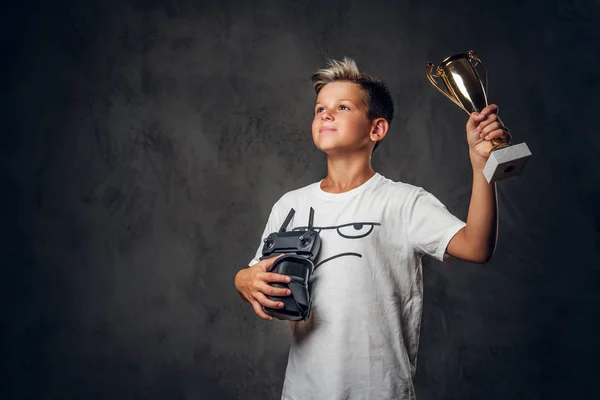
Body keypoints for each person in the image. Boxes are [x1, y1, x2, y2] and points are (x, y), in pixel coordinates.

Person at [234, 57, 510, 400]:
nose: (326, 114)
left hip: (380, 391)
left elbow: (477, 246)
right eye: (320, 109)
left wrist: (482, 165)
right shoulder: (289, 205)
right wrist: (241, 279)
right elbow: (255, 273)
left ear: (376, 129)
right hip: (303, 391)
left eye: (342, 106)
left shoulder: (403, 201)